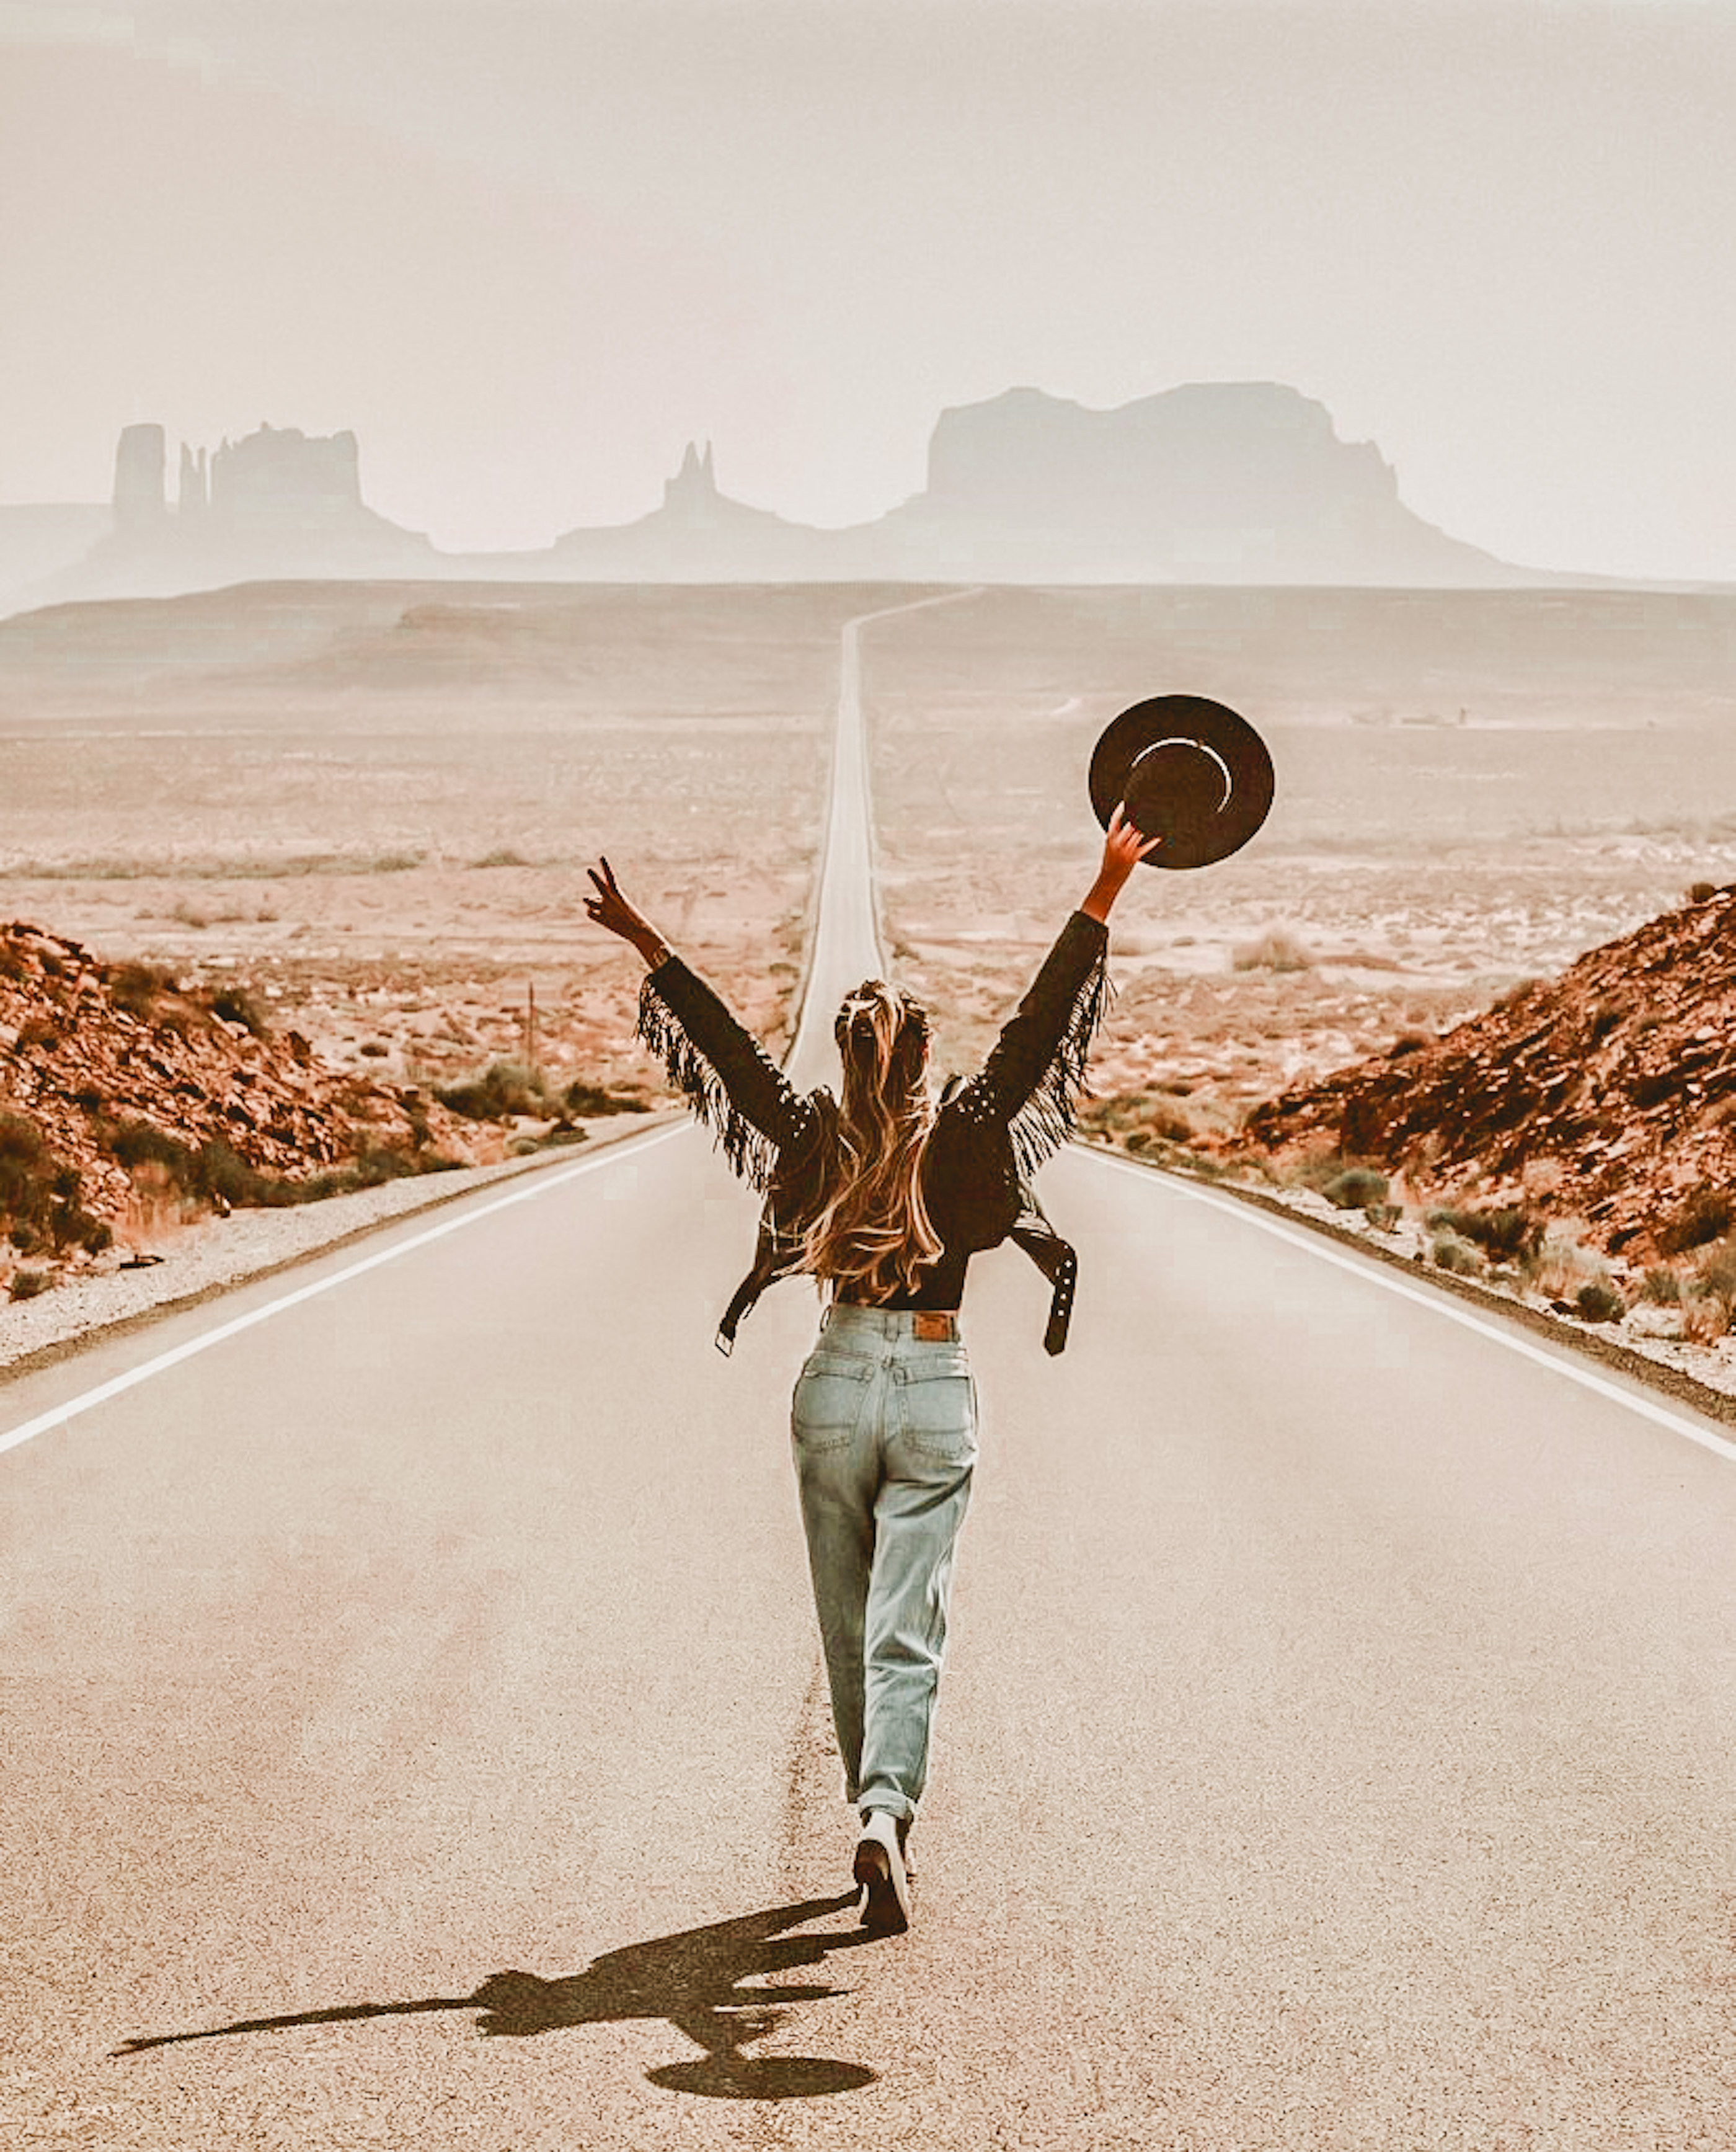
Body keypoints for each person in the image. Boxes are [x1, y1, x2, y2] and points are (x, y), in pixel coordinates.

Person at [584, 805, 1157, 1934]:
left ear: (846, 1064)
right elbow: (1040, 1031)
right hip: (935, 1388)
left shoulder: (810, 1140)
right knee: (909, 1622)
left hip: (836, 1385)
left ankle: (872, 1814)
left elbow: (732, 1059)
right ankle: (885, 1813)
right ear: (925, 1061)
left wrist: (648, 944)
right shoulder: (965, 1129)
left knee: (847, 1622)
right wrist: (1103, 890)